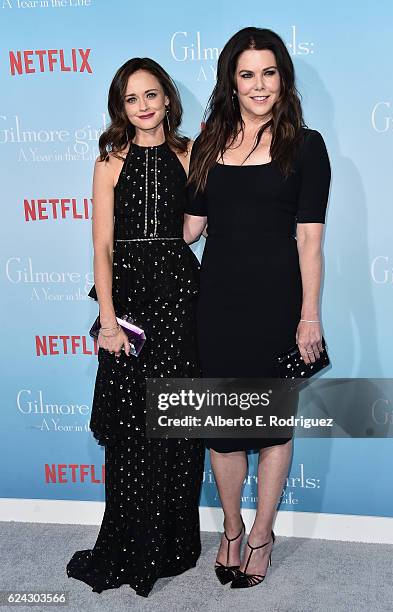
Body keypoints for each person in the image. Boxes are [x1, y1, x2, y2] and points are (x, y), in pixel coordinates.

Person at [184, 27, 331, 589]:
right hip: (216, 305)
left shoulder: (306, 145)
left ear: (283, 78)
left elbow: (311, 241)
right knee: (222, 429)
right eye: (247, 73)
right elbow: (191, 228)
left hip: (277, 306)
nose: (259, 84)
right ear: (232, 80)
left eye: (269, 72)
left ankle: (263, 536)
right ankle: (231, 529)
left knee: (270, 429)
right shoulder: (208, 143)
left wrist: (309, 315)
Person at [66, 57, 204, 598]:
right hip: (128, 302)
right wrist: (107, 320)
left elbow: (195, 229)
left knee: (175, 423)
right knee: (130, 428)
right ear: (120, 108)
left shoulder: (191, 154)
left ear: (168, 99)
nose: (144, 105)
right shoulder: (110, 160)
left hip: (180, 296)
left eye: (151, 95)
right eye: (131, 98)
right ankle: (129, 545)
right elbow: (101, 244)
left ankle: (171, 543)